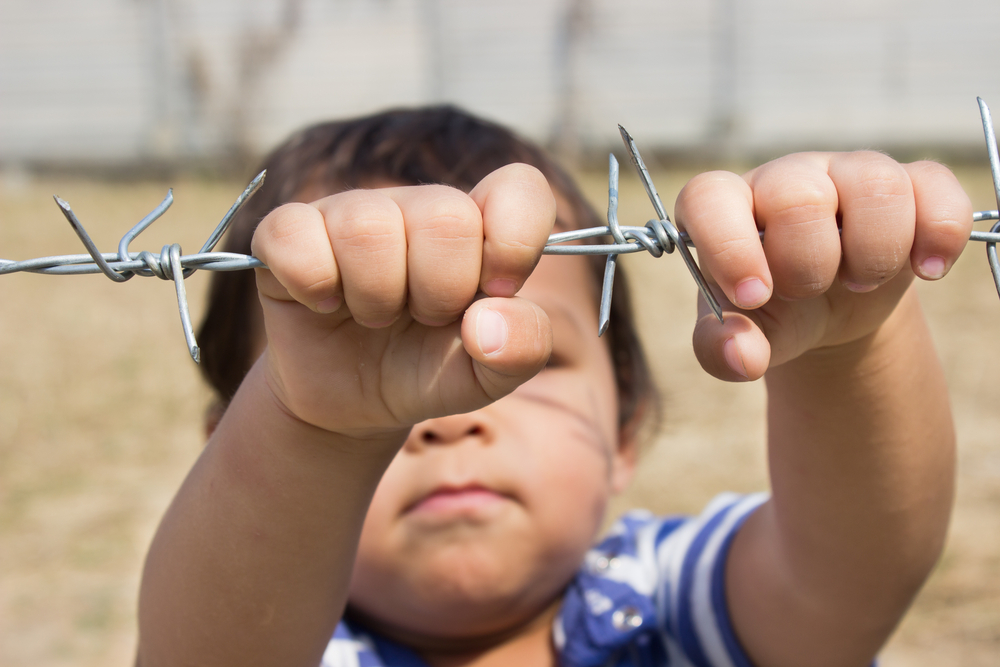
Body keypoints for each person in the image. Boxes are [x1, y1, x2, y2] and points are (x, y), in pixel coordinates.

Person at [136, 106, 971, 667]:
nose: (444, 422)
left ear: (627, 428)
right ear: (225, 449)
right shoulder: (287, 642)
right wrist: (313, 430)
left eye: (522, 362)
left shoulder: (661, 604)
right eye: (377, 405)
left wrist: (849, 341)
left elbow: (851, 574)